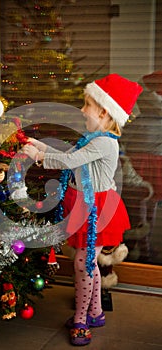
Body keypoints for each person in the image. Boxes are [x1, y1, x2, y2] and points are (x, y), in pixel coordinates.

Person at [23, 73, 143, 346]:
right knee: (87, 262)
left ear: (103, 112)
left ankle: (81, 319)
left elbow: (71, 160)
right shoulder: (94, 137)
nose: (81, 110)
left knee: (83, 262)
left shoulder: (103, 142)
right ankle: (96, 311)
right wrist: (36, 145)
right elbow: (70, 155)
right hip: (87, 202)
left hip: (98, 206)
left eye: (86, 105)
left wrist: (40, 157)